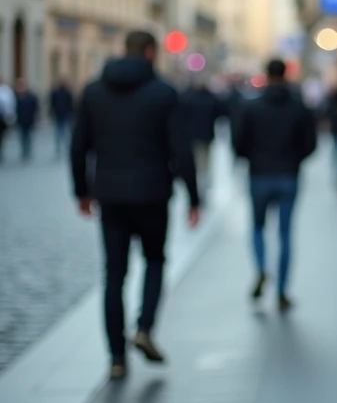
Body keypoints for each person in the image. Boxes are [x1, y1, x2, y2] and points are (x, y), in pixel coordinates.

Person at [71, 31, 201, 380]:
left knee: (114, 274)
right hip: (153, 193)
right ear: (149, 52)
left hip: (110, 194)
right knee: (155, 260)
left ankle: (115, 356)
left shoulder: (94, 92)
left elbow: (78, 146)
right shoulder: (162, 93)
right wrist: (194, 196)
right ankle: (144, 328)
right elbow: (180, 148)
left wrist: (81, 192)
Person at [233, 59, 317, 311]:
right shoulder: (298, 106)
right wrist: (293, 159)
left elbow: (238, 142)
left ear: (266, 75)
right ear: (286, 74)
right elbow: (311, 144)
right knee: (285, 234)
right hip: (288, 176)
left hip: (259, 175)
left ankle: (261, 268)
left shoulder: (251, 105)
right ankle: (281, 291)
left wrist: (254, 158)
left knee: (258, 227)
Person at [179, 77, 223, 195]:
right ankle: (203, 183)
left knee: (196, 161)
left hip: (192, 136)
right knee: (204, 161)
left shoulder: (188, 98)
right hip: (206, 135)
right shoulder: (210, 98)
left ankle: (198, 182)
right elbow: (220, 112)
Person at [13, 78, 39, 162]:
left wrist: (34, 119)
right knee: (22, 136)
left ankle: (27, 151)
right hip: (20, 120)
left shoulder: (30, 96)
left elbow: (34, 108)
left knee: (28, 136)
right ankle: (24, 151)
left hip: (29, 120)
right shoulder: (15, 96)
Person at [49, 77, 75, 158]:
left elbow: (71, 103)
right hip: (58, 114)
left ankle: (65, 146)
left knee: (65, 131)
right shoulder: (56, 92)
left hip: (65, 114)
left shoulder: (67, 92)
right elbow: (52, 102)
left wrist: (71, 112)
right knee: (59, 131)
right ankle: (59, 146)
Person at [0, 78, 13, 162]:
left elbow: (10, 103)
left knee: (1, 136)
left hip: (2, 118)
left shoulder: (6, 90)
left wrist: (9, 115)